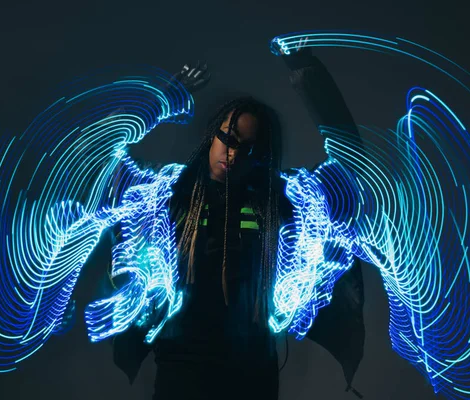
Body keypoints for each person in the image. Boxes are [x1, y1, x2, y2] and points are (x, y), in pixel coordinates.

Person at [94, 41, 365, 400]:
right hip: (181, 369)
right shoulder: (168, 194)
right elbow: (103, 151)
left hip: (252, 373)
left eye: (248, 148)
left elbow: (350, 162)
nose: (233, 153)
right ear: (212, 137)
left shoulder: (283, 201)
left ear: (262, 157)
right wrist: (164, 98)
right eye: (229, 138)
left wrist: (307, 70)